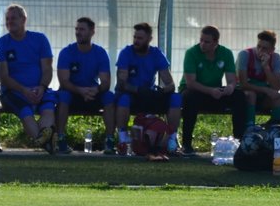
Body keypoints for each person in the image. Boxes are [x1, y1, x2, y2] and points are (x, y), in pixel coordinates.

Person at [0, 4, 58, 153]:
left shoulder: (40, 39)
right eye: (7, 19)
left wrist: (42, 87)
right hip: (13, 92)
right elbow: (4, 77)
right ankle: (49, 142)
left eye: (13, 18)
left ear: (24, 19)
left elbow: (47, 69)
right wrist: (24, 90)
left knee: (48, 109)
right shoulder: (2, 43)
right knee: (26, 113)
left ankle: (45, 141)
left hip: (40, 89)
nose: (9, 22)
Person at [179, 25, 247, 155]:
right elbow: (190, 83)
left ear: (216, 42)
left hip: (214, 93)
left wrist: (230, 88)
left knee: (239, 96)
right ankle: (186, 144)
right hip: (195, 91)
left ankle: (239, 142)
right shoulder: (191, 53)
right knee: (189, 97)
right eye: (201, 40)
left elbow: (232, 80)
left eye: (207, 41)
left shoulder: (226, 53)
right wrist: (211, 91)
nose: (202, 44)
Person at [114, 22, 181, 154]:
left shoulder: (157, 54)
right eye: (135, 37)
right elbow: (122, 83)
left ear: (149, 39)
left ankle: (172, 139)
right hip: (132, 95)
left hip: (150, 95)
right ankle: (122, 140)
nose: (136, 41)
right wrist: (138, 90)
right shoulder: (126, 53)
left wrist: (162, 92)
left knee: (175, 98)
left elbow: (171, 84)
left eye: (140, 38)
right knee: (123, 99)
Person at [55, 17, 116, 154]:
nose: (78, 32)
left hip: (92, 94)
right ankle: (60, 139)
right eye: (76, 29)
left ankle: (110, 141)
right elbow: (63, 82)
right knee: (62, 96)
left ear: (92, 32)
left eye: (82, 29)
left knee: (109, 97)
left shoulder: (100, 53)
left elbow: (106, 82)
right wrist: (80, 90)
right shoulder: (66, 52)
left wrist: (96, 89)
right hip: (73, 94)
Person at [236, 30, 280, 127]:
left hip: (262, 95)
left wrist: (266, 67)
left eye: (264, 48)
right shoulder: (244, 55)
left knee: (277, 97)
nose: (260, 51)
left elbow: (276, 87)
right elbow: (243, 84)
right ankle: (249, 128)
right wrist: (265, 89)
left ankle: (276, 129)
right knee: (251, 95)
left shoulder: (276, 59)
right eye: (259, 46)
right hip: (243, 94)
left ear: (272, 50)